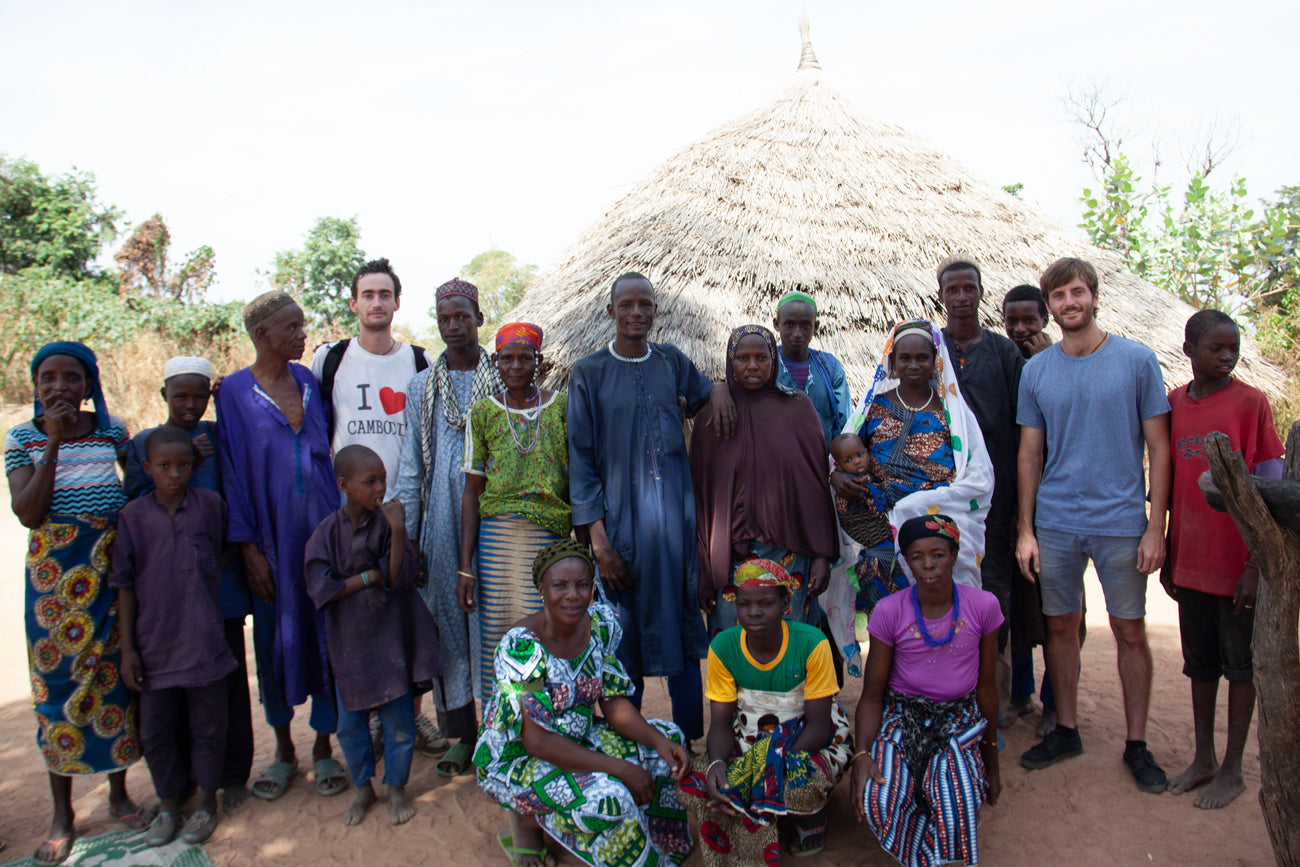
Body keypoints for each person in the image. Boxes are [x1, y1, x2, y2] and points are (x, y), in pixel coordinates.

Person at [1015, 257, 1172, 792]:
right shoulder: (1036, 371)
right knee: (1060, 626)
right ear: (1049, 307)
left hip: (1121, 520)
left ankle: (1137, 743)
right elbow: (1029, 456)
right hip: (1056, 520)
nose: (1069, 304)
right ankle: (1067, 728)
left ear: (1095, 297)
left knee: (1130, 630)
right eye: (1058, 297)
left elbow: (1160, 447)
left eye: (1077, 292)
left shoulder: (1136, 360)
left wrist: (1156, 526)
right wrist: (1026, 529)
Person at [566, 272, 735, 746]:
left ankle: (688, 748)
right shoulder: (589, 373)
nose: (637, 313)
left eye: (646, 305)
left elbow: (707, 394)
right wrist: (599, 542)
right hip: (620, 530)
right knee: (625, 639)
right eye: (627, 305)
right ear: (611, 311)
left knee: (683, 633)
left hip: (675, 529)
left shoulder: (671, 362)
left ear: (655, 311)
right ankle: (630, 746)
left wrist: (719, 387)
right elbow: (581, 459)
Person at [6, 342, 147, 866]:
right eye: (49, 378)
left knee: (115, 682)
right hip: (53, 582)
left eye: (71, 378)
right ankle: (63, 814)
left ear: (89, 385)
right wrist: (54, 445)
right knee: (57, 690)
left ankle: (118, 793)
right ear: (36, 385)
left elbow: (138, 486)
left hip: (109, 575)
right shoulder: (21, 438)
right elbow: (29, 512)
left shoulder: (113, 433)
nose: (59, 387)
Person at [474, 540, 694, 867]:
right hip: (517, 757)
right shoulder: (521, 647)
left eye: (582, 585)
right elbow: (536, 740)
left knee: (670, 742)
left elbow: (615, 707)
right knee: (612, 797)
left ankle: (662, 848)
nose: (573, 595)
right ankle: (538, 825)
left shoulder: (599, 627)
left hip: (578, 738)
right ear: (541, 589)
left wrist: (659, 741)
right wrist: (621, 769)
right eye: (560, 586)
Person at [309, 258, 442, 759]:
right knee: (357, 623)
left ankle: (410, 720)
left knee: (407, 619)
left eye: (385, 295)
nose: (376, 303)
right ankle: (360, 725)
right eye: (368, 295)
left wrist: (413, 515)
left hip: (402, 513)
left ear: (397, 303)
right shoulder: (333, 360)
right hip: (351, 520)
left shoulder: (417, 361)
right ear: (353, 302)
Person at [216, 290, 346, 801]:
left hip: (320, 535)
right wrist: (248, 549)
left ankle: (322, 747)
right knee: (273, 642)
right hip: (270, 542)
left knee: (325, 636)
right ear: (260, 335)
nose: (301, 334)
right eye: (291, 328)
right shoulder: (232, 393)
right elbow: (231, 471)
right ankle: (283, 750)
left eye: (303, 325)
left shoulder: (311, 383)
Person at [1161, 309, 1284, 809]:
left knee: (1240, 666)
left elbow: (1272, 484)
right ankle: (1204, 757)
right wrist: (1169, 552)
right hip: (1190, 559)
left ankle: (1232, 768)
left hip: (1238, 564)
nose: (1227, 356)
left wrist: (1256, 566)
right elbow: (1167, 485)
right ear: (1189, 350)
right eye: (1216, 348)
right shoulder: (1173, 405)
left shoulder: (1251, 404)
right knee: (1200, 664)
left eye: (1233, 347)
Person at [122, 356, 256, 810]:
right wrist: (188, 457)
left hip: (220, 586)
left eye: (200, 395)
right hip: (165, 596)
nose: (191, 404)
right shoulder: (145, 444)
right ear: (163, 395)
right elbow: (138, 510)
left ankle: (231, 776)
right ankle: (180, 788)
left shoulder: (221, 436)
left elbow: (235, 495)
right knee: (172, 694)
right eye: (181, 395)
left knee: (227, 685)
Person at [829, 319, 993, 672]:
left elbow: (979, 475)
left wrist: (919, 505)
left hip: (937, 534)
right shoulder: (874, 407)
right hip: (883, 538)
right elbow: (842, 457)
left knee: (942, 624)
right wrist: (836, 476)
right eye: (905, 358)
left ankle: (945, 692)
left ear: (935, 360)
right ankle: (893, 702)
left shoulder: (953, 412)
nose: (914, 365)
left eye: (922, 358)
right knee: (891, 631)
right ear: (893, 362)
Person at [395, 277, 504, 777]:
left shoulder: (504, 380)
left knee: (496, 623)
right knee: (450, 629)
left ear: (480, 319)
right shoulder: (422, 387)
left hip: (497, 517)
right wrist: (411, 537)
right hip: (440, 522)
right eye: (444, 318)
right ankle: (462, 734)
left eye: (463, 316)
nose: (454, 325)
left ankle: (502, 730)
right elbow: (412, 469)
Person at [679, 559, 853, 863]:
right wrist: (718, 762)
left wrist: (769, 768)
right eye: (744, 604)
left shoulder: (813, 643)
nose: (754, 612)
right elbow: (721, 722)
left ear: (786, 604)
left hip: (804, 740)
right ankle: (756, 817)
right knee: (697, 783)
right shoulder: (723, 646)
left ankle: (811, 819)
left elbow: (817, 726)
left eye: (766, 603)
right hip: (748, 736)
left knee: (800, 782)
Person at [852, 515, 1001, 867]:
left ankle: (941, 852)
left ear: (955, 554)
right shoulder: (890, 611)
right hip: (904, 716)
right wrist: (861, 755)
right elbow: (873, 696)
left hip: (959, 718)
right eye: (917, 557)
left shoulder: (983, 606)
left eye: (938, 554)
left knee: (958, 794)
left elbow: (988, 689)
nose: (928, 564)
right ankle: (920, 842)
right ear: (905, 561)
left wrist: (992, 765)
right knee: (878, 796)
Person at [305, 445, 441, 826]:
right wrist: (366, 578)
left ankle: (396, 788)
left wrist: (398, 529)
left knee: (398, 725)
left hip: (390, 645)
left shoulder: (386, 525)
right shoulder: (326, 534)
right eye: (370, 481)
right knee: (350, 725)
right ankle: (363, 787)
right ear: (344, 485)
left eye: (382, 478)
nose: (381, 487)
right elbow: (320, 588)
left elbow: (397, 579)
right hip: (349, 649)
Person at [113, 425, 235, 847]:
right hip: (154, 646)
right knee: (156, 732)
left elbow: (223, 548)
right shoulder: (133, 517)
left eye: (184, 465)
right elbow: (124, 584)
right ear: (146, 468)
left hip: (203, 642)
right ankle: (168, 804)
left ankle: (205, 802)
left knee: (209, 727)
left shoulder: (210, 505)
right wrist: (128, 648)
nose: (174, 474)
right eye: (164, 466)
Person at [691, 324, 837, 631]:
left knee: (791, 642)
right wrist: (705, 570)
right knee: (734, 646)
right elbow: (702, 499)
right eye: (742, 358)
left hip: (791, 553)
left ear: (775, 361)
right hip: (728, 556)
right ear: (731, 362)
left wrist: (822, 555)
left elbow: (816, 488)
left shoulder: (798, 408)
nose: (753, 365)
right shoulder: (710, 417)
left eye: (762, 357)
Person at [460, 322, 569, 703]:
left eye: (526, 358)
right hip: (496, 538)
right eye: (507, 358)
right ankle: (499, 728)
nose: (517, 366)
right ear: (496, 362)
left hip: (546, 536)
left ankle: (539, 722)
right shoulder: (483, 413)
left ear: (538, 361)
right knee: (498, 631)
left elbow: (578, 476)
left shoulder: (561, 407)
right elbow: (472, 491)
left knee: (539, 629)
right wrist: (465, 566)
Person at [936, 256, 1025, 721]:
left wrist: (1017, 506)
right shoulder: (931, 350)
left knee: (992, 590)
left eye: (969, 288)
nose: (962, 297)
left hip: (996, 494)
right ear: (941, 297)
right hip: (941, 492)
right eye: (953, 289)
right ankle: (943, 686)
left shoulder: (1004, 353)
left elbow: (1020, 428)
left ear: (981, 293)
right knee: (939, 584)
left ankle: (995, 694)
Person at [772, 291, 851, 447]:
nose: (797, 333)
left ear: (816, 326)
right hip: (775, 465)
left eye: (805, 325)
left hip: (821, 467)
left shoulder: (829, 367)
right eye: (789, 324)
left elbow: (846, 424)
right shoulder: (765, 365)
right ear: (776, 324)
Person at [1002, 284, 1054, 358]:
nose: (1019, 329)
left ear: (1044, 321)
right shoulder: (998, 359)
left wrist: (1043, 359)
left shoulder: (1061, 358)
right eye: (1012, 321)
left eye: (1029, 321)